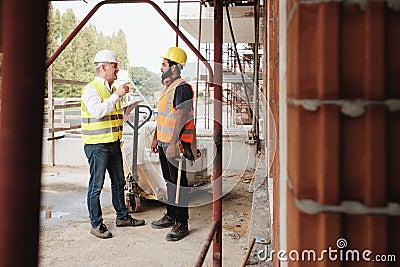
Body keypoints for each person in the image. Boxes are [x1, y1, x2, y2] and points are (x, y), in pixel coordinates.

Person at [81, 49, 145, 239]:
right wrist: (117, 96)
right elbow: (98, 112)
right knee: (96, 186)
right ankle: (96, 224)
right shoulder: (91, 89)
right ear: (103, 67)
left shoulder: (110, 90)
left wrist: (128, 107)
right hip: (97, 146)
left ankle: (122, 216)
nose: (117, 69)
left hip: (113, 143)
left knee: (119, 182)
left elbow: (113, 116)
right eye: (114, 65)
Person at [150, 47, 195, 241]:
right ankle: (171, 214)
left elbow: (181, 117)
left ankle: (181, 223)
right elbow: (163, 117)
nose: (161, 68)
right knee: (169, 181)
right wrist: (156, 138)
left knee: (179, 183)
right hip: (164, 142)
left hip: (175, 145)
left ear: (174, 68)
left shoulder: (182, 88)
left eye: (164, 64)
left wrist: (173, 143)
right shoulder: (168, 87)